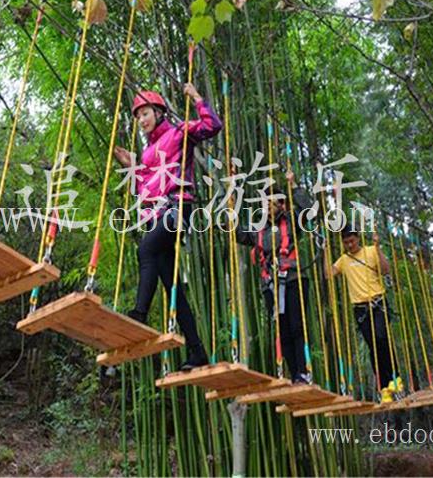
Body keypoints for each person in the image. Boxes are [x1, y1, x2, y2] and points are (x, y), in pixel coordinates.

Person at [113, 84, 222, 370]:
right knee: (172, 286)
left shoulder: (179, 133)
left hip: (178, 207)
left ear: (159, 112)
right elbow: (146, 189)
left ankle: (139, 314)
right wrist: (131, 168)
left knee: (146, 249)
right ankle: (197, 351)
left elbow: (212, 126)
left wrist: (197, 98)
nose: (142, 120)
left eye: (146, 113)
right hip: (157, 214)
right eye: (138, 117)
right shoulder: (147, 152)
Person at [235, 171, 312, 384]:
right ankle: (294, 373)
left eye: (273, 202)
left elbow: (308, 210)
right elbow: (239, 234)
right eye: (266, 203)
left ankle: (304, 372)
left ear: (281, 204)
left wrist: (294, 185)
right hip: (271, 285)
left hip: (294, 279)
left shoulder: (293, 221)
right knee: (282, 329)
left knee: (297, 326)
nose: (269, 206)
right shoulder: (259, 230)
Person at [327, 225, 396, 393]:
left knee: (381, 338)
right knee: (372, 345)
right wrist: (324, 251)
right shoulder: (343, 260)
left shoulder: (371, 251)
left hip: (378, 303)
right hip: (360, 309)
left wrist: (378, 248)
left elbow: (385, 270)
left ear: (358, 238)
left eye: (351, 241)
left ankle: (395, 376)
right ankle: (384, 385)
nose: (349, 245)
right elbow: (328, 274)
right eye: (346, 242)